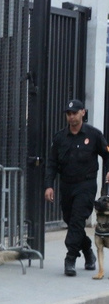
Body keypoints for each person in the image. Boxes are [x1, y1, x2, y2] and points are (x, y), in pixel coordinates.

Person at [44, 99, 109, 276]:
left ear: (83, 112)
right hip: (67, 185)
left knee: (77, 220)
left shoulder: (94, 135)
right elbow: (52, 163)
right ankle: (88, 251)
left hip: (86, 185)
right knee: (70, 220)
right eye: (69, 114)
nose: (71, 116)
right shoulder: (59, 138)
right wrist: (49, 185)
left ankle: (70, 258)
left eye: (75, 113)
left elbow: (107, 154)